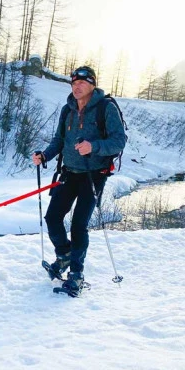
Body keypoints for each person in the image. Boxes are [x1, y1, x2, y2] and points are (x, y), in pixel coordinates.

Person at [32, 66, 126, 295]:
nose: (77, 86)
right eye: (74, 83)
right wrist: (45, 155)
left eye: (82, 83)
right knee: (53, 217)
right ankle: (64, 255)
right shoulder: (68, 109)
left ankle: (76, 274)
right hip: (70, 172)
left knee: (78, 225)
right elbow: (59, 140)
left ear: (92, 85)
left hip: (94, 175)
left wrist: (93, 146)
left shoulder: (106, 108)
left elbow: (119, 141)